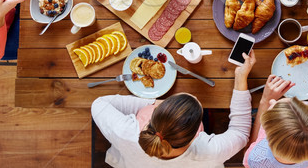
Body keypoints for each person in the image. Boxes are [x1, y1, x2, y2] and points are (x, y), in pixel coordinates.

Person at [91, 51, 256, 167]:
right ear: (196, 136)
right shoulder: (209, 152)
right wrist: (241, 77)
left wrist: (153, 102)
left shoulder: (125, 132)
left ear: (153, 115)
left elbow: (98, 104)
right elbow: (240, 133)